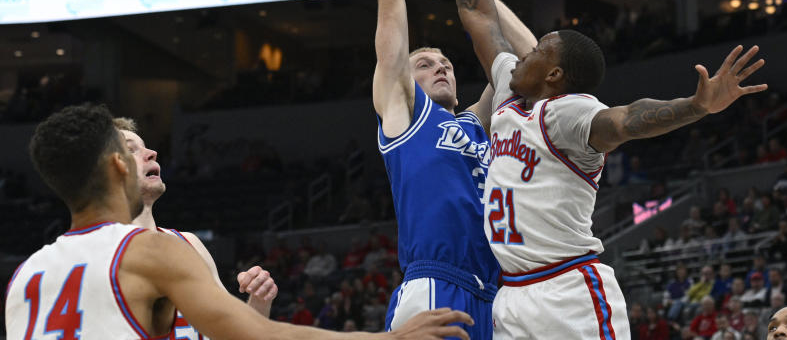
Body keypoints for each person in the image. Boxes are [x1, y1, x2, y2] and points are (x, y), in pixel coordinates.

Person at [425, 0, 767, 338]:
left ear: (555, 76)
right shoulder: (509, 92)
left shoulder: (568, 114)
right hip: (511, 295)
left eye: (539, 50)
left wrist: (696, 105)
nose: (523, 53)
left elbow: (627, 119)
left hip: (569, 292)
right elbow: (481, 16)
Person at [4, 104, 473, 340]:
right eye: (128, 148)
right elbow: (260, 337)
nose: (147, 152)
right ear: (118, 167)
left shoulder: (25, 276)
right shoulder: (148, 250)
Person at [353, 0, 538, 338]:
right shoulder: (405, 115)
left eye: (447, 63)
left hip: (501, 294)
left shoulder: (477, 123)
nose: (441, 68)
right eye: (425, 63)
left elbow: (535, 61)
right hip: (436, 284)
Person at [114, 117, 278, 339]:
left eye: (145, 146)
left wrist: (259, 301)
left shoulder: (191, 244)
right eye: (131, 150)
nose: (152, 152)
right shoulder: (97, 259)